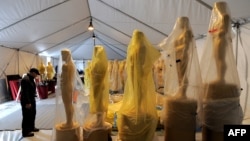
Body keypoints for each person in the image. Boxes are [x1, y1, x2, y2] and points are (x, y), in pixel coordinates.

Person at [20, 68, 40, 137]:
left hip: (31, 99)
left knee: (32, 114)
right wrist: (28, 102)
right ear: (33, 72)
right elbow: (25, 92)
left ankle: (31, 127)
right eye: (36, 74)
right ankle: (25, 132)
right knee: (27, 116)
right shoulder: (25, 79)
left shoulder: (31, 79)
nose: (36, 75)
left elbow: (31, 89)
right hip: (26, 101)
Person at [60, 49, 76, 129]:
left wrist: (60, 80)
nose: (61, 57)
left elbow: (64, 80)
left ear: (66, 55)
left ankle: (69, 122)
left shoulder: (65, 66)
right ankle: (70, 121)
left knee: (67, 105)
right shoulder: (71, 65)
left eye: (62, 55)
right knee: (70, 104)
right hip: (70, 85)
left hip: (66, 86)